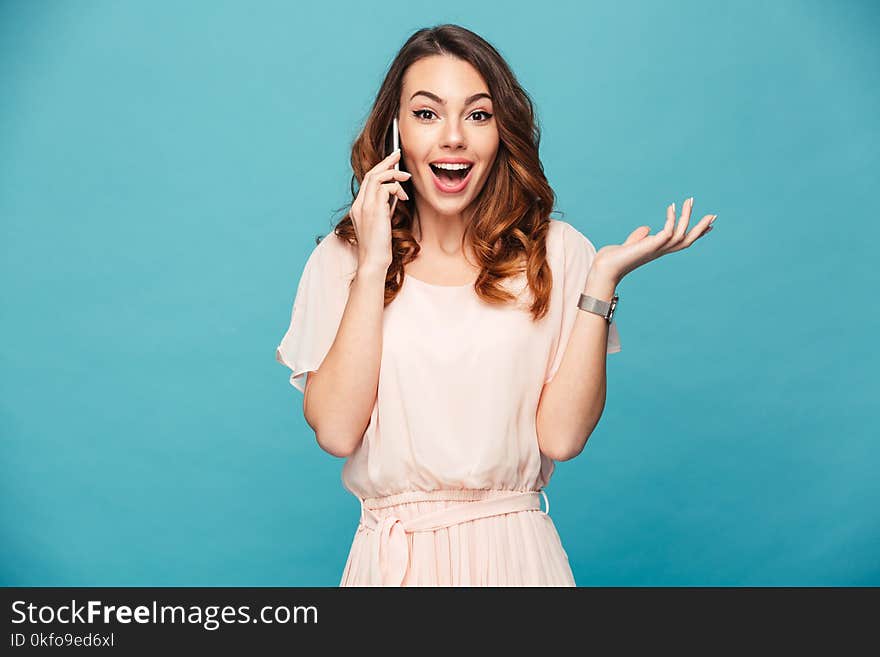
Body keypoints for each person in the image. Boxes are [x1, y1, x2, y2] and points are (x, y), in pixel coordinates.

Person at [275, 24, 717, 586]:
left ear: (501, 133)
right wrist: (371, 266)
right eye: (427, 113)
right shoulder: (344, 260)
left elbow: (562, 439)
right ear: (395, 132)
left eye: (478, 115)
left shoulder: (558, 253)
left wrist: (601, 281)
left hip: (516, 558)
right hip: (393, 564)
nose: (453, 137)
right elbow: (337, 431)